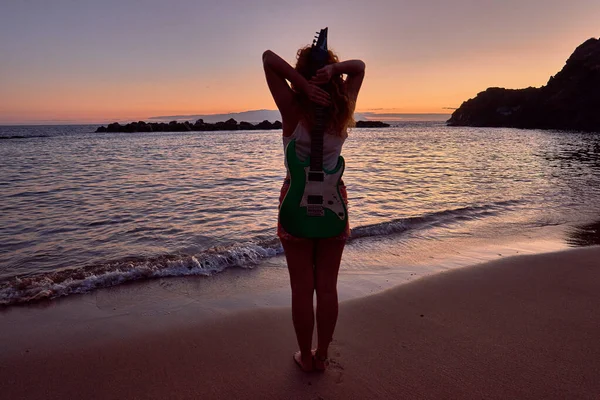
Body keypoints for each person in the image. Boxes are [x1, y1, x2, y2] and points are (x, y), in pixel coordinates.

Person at [262, 44, 365, 372]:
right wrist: (335, 71)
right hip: (334, 204)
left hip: (295, 203)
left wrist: (302, 83)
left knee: (301, 288)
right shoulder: (342, 108)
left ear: (302, 74)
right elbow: (359, 67)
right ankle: (322, 354)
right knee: (328, 286)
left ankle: (305, 356)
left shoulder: (292, 108)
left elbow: (268, 59)